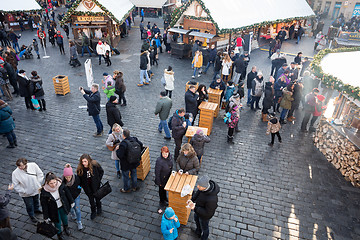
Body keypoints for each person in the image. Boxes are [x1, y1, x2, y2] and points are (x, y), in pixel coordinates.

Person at [40, 172, 74, 240]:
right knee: (57, 222)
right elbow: (44, 205)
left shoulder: (60, 185)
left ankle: (66, 228)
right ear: (47, 183)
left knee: (64, 218)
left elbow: (67, 192)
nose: (54, 185)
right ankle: (59, 234)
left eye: (55, 182)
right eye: (51, 183)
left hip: (62, 205)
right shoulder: (44, 191)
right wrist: (46, 216)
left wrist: (71, 201)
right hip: (53, 209)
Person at [12, 158, 44, 223]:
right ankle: (31, 215)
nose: (20, 167)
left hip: (35, 189)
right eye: (18, 166)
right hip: (26, 193)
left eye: (22, 166)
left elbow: (40, 174)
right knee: (29, 204)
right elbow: (16, 185)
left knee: (36, 200)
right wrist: (24, 191)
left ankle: (36, 209)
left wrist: (37, 183)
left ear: (26, 164)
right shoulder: (15, 173)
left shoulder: (33, 165)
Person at [188, 175, 219, 240]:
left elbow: (208, 213)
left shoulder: (212, 200)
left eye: (199, 186)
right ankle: (198, 232)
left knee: (205, 228)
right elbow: (198, 193)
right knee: (196, 219)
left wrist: (195, 208)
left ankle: (204, 238)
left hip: (204, 216)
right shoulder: (202, 189)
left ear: (205, 187)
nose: (197, 186)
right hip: (198, 210)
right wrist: (192, 200)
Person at [116, 129, 143, 193]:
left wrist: (117, 149)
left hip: (126, 164)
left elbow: (120, 155)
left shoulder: (123, 144)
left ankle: (126, 188)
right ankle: (134, 187)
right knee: (134, 173)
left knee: (126, 176)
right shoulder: (135, 139)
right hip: (134, 161)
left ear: (123, 135)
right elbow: (141, 145)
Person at [77, 154, 104, 220]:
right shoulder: (80, 169)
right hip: (87, 188)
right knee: (91, 200)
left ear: (88, 161)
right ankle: (93, 211)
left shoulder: (95, 165)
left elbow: (101, 172)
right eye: (82, 162)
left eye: (85, 161)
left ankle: (99, 207)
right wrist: (79, 188)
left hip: (96, 186)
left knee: (97, 197)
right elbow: (79, 180)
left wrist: (98, 180)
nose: (83, 163)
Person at [62, 164, 83, 231]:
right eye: (66, 177)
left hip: (76, 197)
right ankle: (72, 214)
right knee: (70, 209)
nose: (68, 179)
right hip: (68, 198)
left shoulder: (76, 179)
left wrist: (77, 193)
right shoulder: (62, 181)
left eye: (69, 177)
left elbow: (79, 187)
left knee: (77, 209)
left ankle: (79, 222)